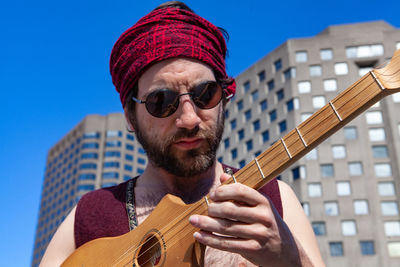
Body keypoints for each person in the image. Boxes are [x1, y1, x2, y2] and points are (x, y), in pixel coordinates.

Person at [40, 1, 325, 266]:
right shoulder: (90, 216)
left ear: (224, 98)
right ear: (130, 116)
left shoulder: (275, 199)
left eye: (205, 94)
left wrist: (289, 256)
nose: (189, 119)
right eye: (161, 102)